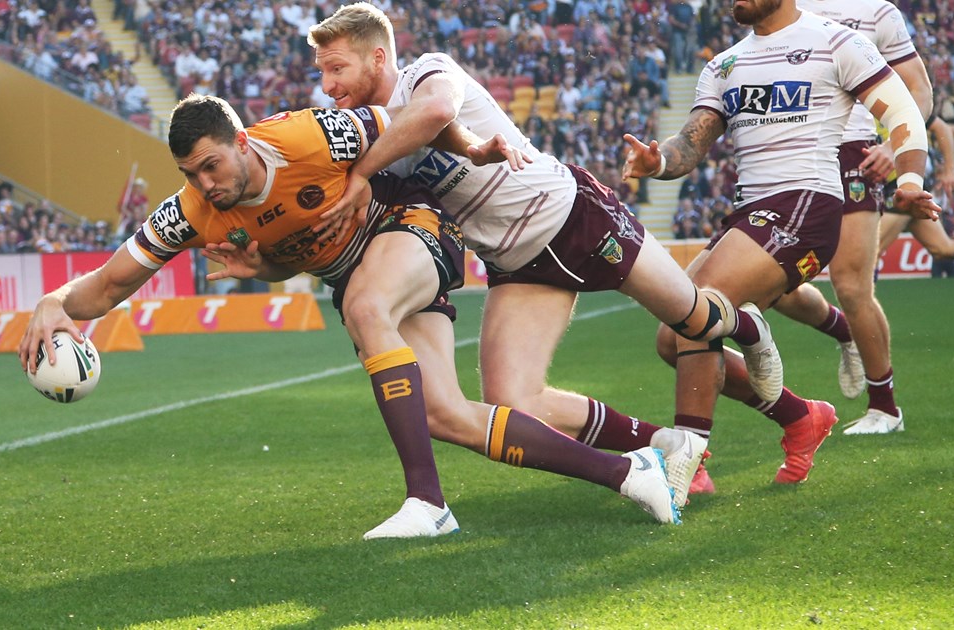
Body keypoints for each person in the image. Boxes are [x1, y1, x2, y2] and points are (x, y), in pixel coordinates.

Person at [20, 95, 680, 541]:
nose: (207, 185)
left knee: (366, 306)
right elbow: (109, 285)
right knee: (444, 413)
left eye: (213, 166)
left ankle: (428, 503)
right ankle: (633, 471)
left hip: (407, 222)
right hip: (368, 274)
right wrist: (53, 304)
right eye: (193, 175)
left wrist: (469, 147)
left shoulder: (307, 136)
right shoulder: (192, 212)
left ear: (241, 143)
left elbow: (415, 116)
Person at [306, 2, 791, 506]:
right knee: (512, 400)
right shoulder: (360, 131)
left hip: (571, 216)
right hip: (516, 262)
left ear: (379, 58)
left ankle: (749, 328)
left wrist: (362, 172)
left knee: (692, 317)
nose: (327, 85)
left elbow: (434, 112)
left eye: (337, 68)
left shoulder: (429, 69)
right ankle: (658, 445)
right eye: (322, 71)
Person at [622, 0, 941, 486]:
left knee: (697, 310)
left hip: (809, 203)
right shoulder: (723, 64)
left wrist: (911, 177)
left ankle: (687, 468)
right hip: (749, 212)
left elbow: (901, 110)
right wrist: (658, 163)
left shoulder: (837, 41)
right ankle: (799, 415)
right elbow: (689, 143)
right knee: (672, 338)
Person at [763, 0, 954, 442]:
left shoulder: (876, 11)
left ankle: (885, 407)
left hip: (854, 154)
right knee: (774, 287)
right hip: (784, 160)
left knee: (852, 285)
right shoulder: (783, 8)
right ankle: (845, 331)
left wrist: (895, 144)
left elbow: (919, 93)